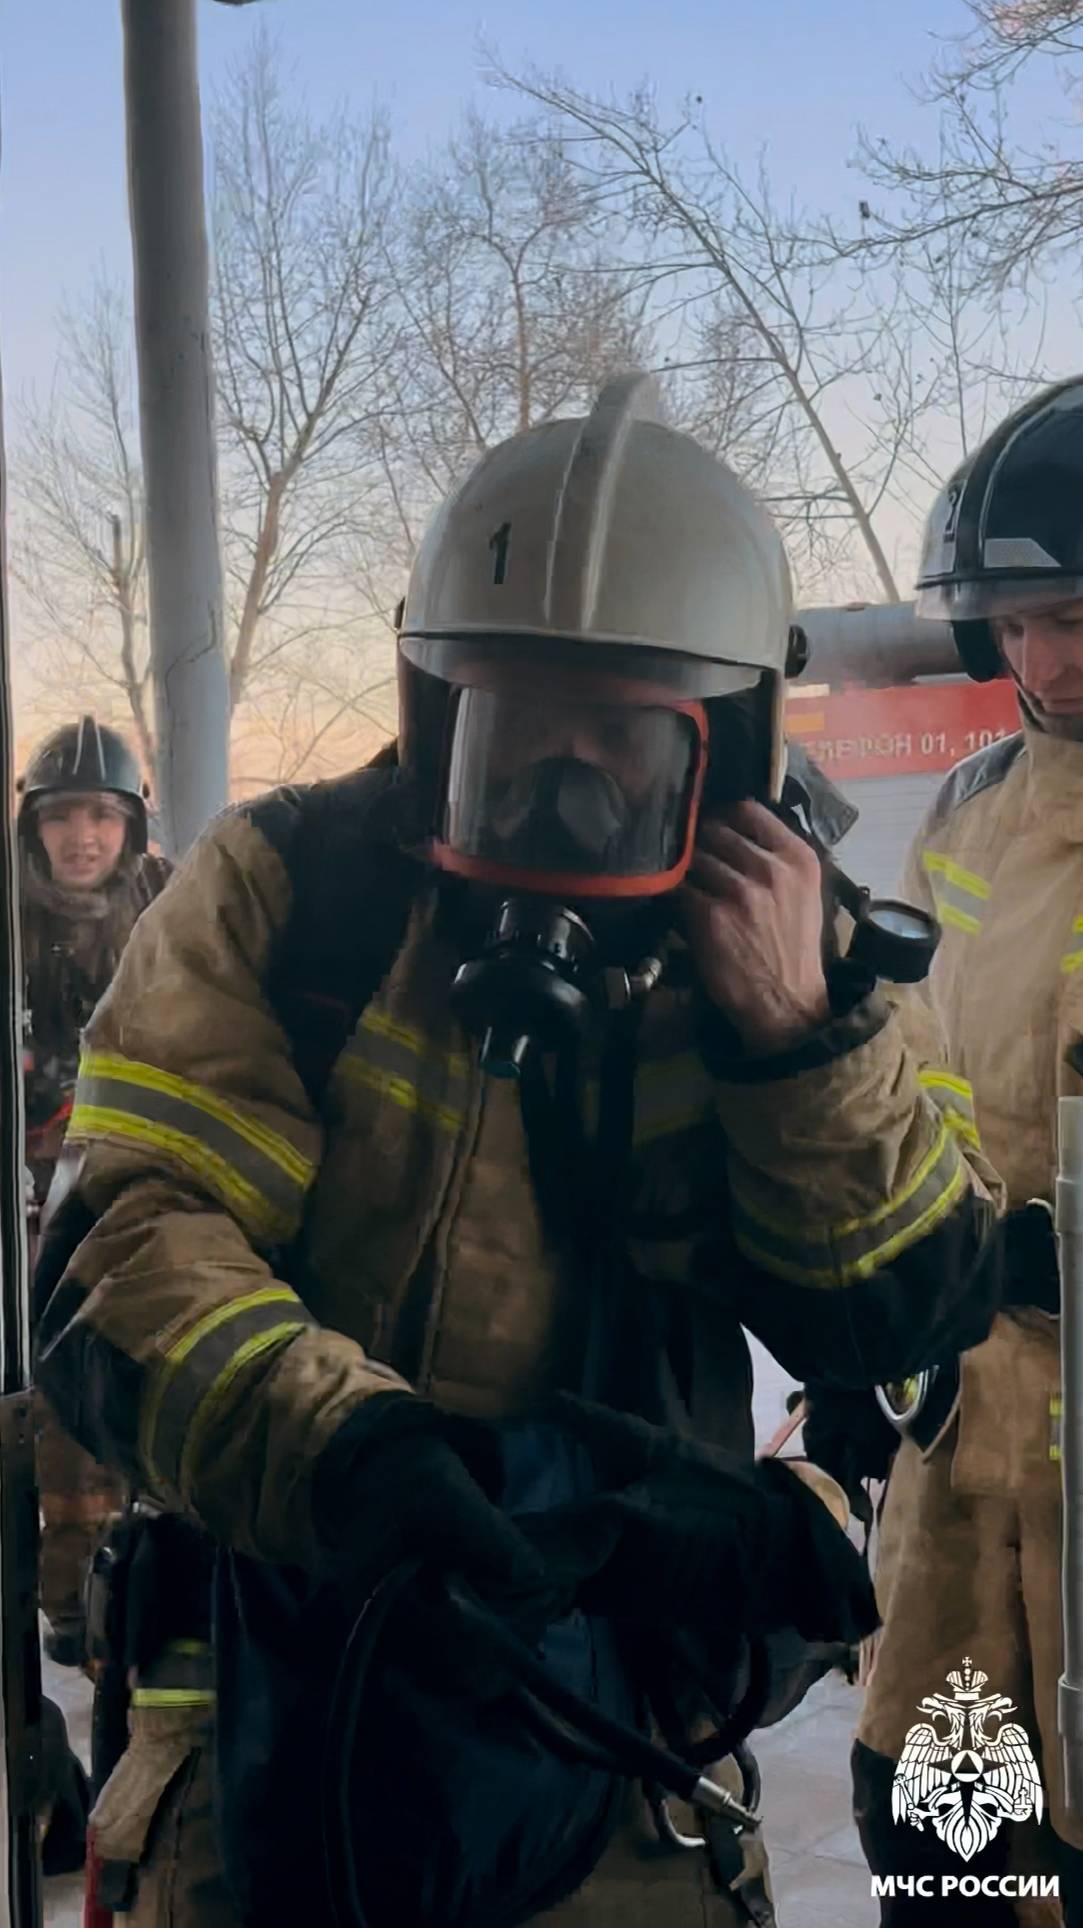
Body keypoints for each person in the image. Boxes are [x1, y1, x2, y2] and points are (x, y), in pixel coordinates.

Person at [36, 374, 1004, 1927]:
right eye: (512, 727)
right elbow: (120, 1251)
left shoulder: (789, 961)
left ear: (739, 741)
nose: (563, 783)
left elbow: (893, 1317)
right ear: (431, 711)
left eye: (622, 739)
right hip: (272, 1720)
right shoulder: (291, 899)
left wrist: (799, 1043)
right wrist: (352, 1453)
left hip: (610, 1744)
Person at [846, 378, 1083, 1925]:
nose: (1044, 656)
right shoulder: (968, 810)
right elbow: (912, 1069)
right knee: (941, 1839)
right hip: (963, 1409)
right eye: (1015, 623)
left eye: (1071, 612)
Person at [20, 715, 170, 1667]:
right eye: (65, 816)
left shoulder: (176, 912)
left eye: (104, 817)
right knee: (48, 1400)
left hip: (139, 1187)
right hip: (30, 1208)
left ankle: (145, 1579)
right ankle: (68, 1590)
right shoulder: (7, 919)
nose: (84, 837)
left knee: (141, 1383)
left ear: (131, 828)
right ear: (33, 826)